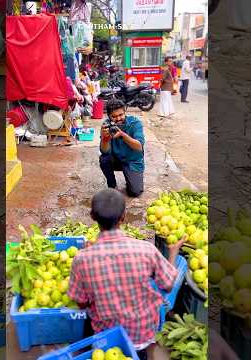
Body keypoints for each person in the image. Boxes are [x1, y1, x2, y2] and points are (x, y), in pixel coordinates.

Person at [67, 189, 186, 360]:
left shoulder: (81, 259)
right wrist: (173, 253)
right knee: (174, 269)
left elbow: (81, 303)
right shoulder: (146, 249)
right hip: (142, 335)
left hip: (107, 340)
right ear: (124, 216)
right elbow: (167, 285)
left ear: (92, 216)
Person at [99, 99, 145, 198]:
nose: (118, 118)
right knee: (104, 158)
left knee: (135, 192)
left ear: (125, 112)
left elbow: (139, 147)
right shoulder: (106, 126)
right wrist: (105, 138)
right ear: (109, 117)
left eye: (121, 115)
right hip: (116, 159)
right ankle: (112, 186)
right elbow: (104, 151)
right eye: (114, 116)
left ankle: (130, 177)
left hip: (132, 161)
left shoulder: (135, 123)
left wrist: (123, 135)